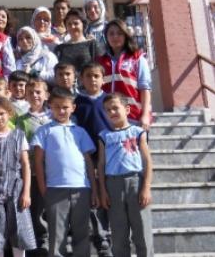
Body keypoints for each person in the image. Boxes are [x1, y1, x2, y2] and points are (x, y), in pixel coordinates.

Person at [33, 87, 99, 257]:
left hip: (81, 188)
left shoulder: (80, 132)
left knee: (82, 232)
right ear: (50, 107)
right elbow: (38, 162)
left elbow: (89, 162)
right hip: (55, 189)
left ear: (73, 108)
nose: (61, 111)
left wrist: (94, 190)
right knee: (57, 234)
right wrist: (43, 188)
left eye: (65, 107)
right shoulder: (44, 131)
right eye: (57, 107)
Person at [0, 97, 36, 257]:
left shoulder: (18, 136)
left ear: (9, 113)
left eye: (2, 114)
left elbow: (25, 164)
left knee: (19, 229)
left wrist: (26, 192)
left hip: (15, 189)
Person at [99, 93, 154, 257]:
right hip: (113, 185)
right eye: (108, 110)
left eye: (115, 108)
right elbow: (101, 164)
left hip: (135, 183)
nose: (112, 112)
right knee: (118, 232)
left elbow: (147, 161)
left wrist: (146, 187)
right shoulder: (104, 136)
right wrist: (103, 191)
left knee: (142, 230)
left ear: (127, 109)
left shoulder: (138, 132)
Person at [74, 62, 113, 257]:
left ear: (103, 79)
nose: (92, 80)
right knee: (94, 196)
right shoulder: (77, 103)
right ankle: (100, 238)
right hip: (87, 156)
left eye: (96, 76)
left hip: (110, 156)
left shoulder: (109, 100)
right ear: (81, 79)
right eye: (88, 76)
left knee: (110, 195)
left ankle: (112, 234)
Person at [15, 78, 51, 253]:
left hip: (53, 171)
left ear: (46, 95)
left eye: (38, 92)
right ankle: (40, 242)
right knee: (37, 209)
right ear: (26, 96)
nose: (35, 95)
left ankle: (53, 240)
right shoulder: (21, 120)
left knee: (52, 208)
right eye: (30, 93)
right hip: (33, 172)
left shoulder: (53, 117)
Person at [98, 19, 152, 130]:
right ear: (106, 37)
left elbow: (145, 89)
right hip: (108, 119)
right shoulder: (100, 61)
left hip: (133, 117)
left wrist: (145, 115)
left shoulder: (137, 58)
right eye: (111, 33)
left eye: (119, 33)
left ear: (125, 35)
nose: (115, 37)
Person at [54, 9, 102, 73]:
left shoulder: (92, 45)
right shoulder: (59, 49)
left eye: (76, 23)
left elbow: (100, 69)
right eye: (69, 24)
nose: (72, 27)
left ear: (83, 24)